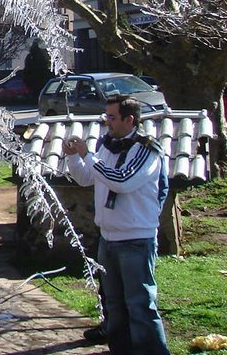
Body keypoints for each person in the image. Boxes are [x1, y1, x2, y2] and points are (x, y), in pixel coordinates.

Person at [62, 97, 171, 355]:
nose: (106, 122)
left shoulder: (147, 150)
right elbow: (88, 178)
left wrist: (89, 156)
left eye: (112, 117)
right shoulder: (107, 146)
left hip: (136, 239)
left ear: (129, 120)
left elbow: (121, 181)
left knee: (140, 304)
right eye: (106, 116)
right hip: (108, 238)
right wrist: (74, 159)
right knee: (114, 305)